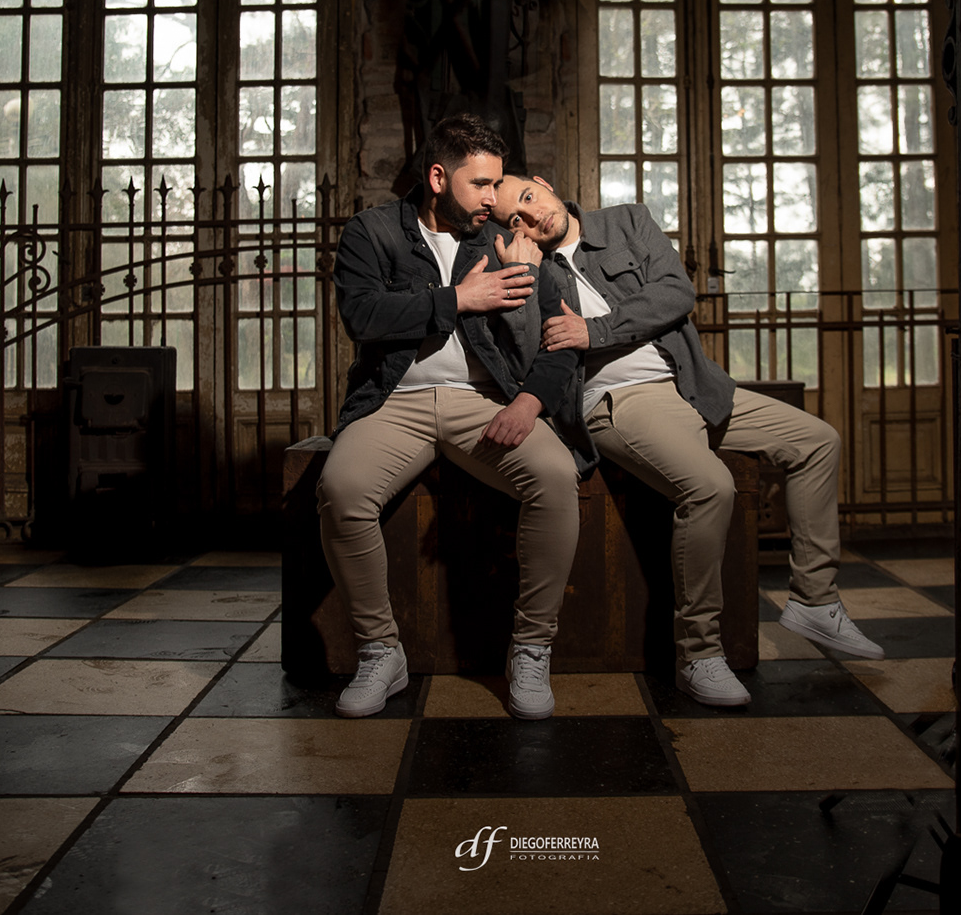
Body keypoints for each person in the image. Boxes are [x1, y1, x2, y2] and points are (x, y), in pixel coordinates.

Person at [492, 174, 884, 707]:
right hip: (621, 400)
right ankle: (699, 654)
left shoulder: (627, 222)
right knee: (711, 487)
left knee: (816, 440)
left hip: (693, 381)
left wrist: (594, 331)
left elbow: (675, 293)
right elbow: (525, 353)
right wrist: (523, 274)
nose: (532, 217)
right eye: (515, 220)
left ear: (543, 184)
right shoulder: (531, 267)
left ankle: (814, 599)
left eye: (528, 198)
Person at [318, 117, 587, 720]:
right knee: (341, 490)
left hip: (483, 402)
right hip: (393, 403)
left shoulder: (503, 238)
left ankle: (531, 649)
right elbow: (362, 316)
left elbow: (560, 338)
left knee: (554, 478)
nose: (494, 198)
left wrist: (528, 402)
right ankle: (379, 650)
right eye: (481, 184)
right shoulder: (372, 232)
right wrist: (459, 299)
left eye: (497, 184)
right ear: (438, 178)